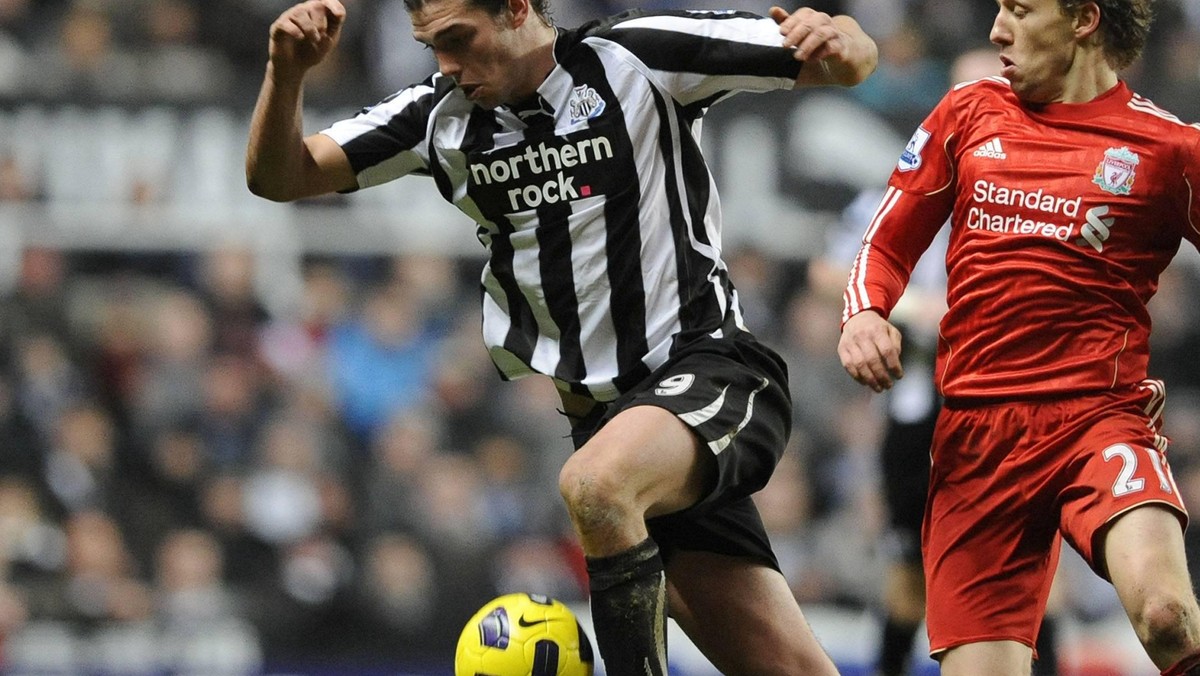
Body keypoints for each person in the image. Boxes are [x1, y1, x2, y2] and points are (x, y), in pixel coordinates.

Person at [245, 0, 878, 673]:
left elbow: (852, 59)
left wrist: (840, 39)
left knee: (594, 487)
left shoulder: (638, 55)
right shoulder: (438, 117)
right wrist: (285, 72)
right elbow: (279, 176)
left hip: (712, 372)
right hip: (609, 424)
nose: (447, 65)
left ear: (518, 7)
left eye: (459, 39)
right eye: (431, 46)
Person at [836, 0, 1200, 674]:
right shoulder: (969, 110)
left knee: (1166, 615)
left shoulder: (1170, 149)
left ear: (1084, 19)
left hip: (1096, 421)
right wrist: (863, 314)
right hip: (975, 441)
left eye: (1020, 9)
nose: (998, 28)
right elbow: (884, 243)